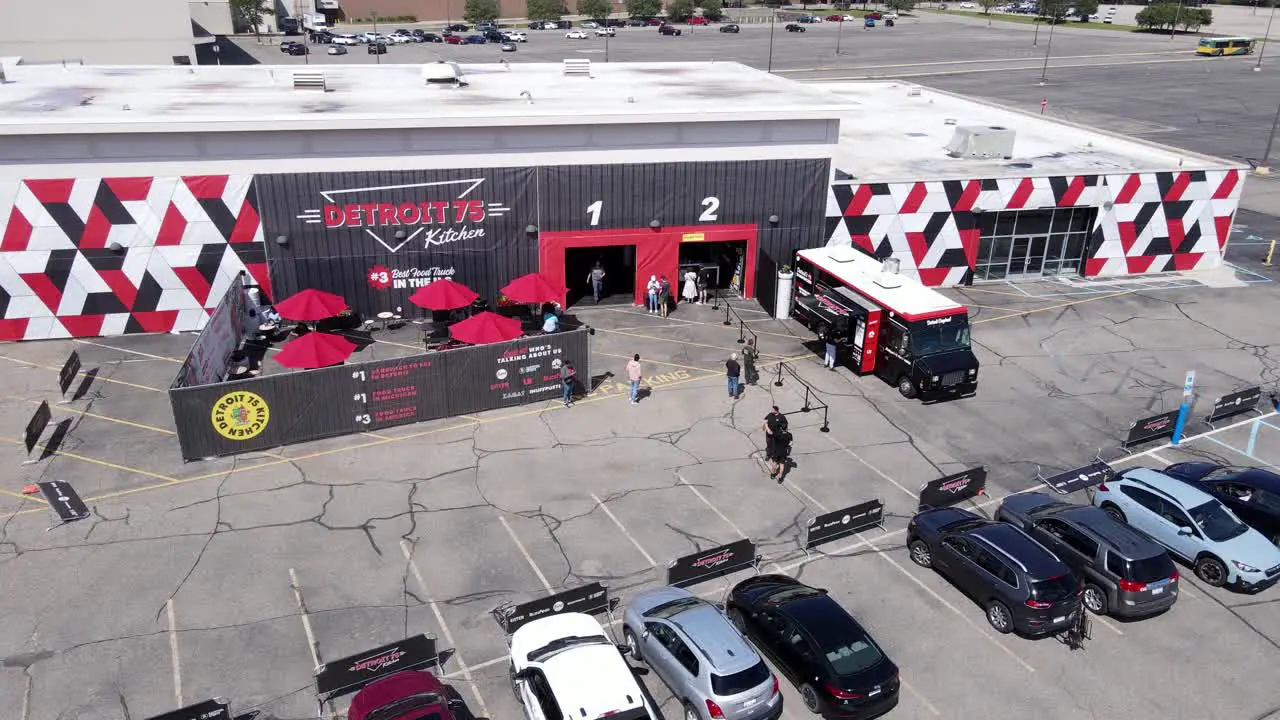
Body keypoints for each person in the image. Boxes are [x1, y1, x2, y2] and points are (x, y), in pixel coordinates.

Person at [763, 406, 791, 480]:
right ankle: (780, 477)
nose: (771, 410)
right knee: (769, 445)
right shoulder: (789, 435)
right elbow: (765, 421)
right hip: (783, 451)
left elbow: (785, 424)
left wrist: (771, 432)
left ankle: (773, 474)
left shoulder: (781, 417)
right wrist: (766, 428)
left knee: (775, 462)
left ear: (776, 410)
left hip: (776, 444)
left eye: (772, 409)